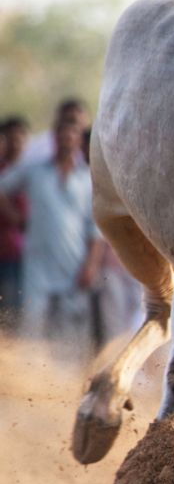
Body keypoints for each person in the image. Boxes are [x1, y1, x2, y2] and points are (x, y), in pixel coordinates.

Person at [0, 118, 102, 348]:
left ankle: (67, 381)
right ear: (54, 139)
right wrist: (16, 218)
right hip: (37, 265)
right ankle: (30, 379)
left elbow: (95, 229)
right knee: (32, 325)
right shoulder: (35, 171)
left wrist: (91, 266)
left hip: (73, 265)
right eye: (62, 136)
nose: (67, 141)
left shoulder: (87, 178)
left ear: (78, 140)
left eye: (71, 136)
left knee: (71, 334)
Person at [0, 116, 30, 323]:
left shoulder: (31, 169)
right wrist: (15, 216)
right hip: (6, 250)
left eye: (20, 138)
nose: (15, 144)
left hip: (21, 253)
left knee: (14, 309)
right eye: (10, 139)